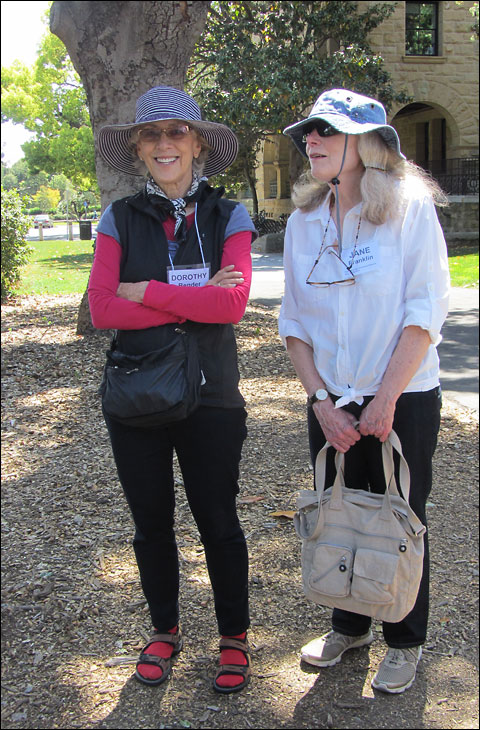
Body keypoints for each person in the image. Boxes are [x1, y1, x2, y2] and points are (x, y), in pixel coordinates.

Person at [279, 89, 450, 694]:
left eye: (326, 129)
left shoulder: (408, 208)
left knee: (400, 518)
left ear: (367, 142)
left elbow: (425, 312)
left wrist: (384, 400)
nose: (311, 140)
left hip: (402, 395)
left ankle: (405, 639)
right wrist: (321, 402)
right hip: (331, 397)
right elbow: (295, 324)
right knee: (341, 511)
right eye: (309, 131)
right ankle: (348, 624)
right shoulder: (303, 221)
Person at [88, 86, 257, 693]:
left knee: (218, 518)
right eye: (151, 135)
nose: (165, 144)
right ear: (137, 147)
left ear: (198, 144)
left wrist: (150, 292)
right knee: (151, 523)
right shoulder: (119, 217)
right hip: (136, 395)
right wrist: (194, 302)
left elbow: (232, 304)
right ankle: (164, 629)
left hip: (211, 395)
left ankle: (234, 636)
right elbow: (103, 309)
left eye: (176, 133)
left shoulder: (228, 214)